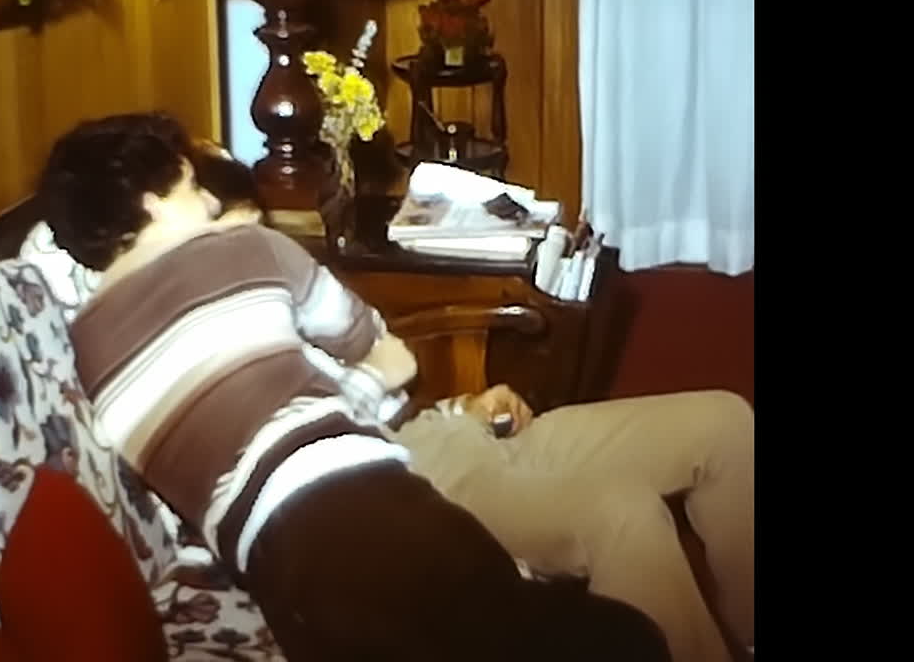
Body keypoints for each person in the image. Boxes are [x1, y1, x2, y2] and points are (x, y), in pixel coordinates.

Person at [39, 112, 672, 662]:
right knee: (623, 639)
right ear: (149, 201)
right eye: (190, 186)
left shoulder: (86, 352)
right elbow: (372, 342)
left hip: (278, 577)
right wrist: (368, 382)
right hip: (367, 505)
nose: (207, 204)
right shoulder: (242, 247)